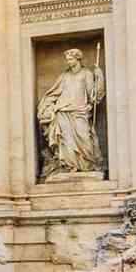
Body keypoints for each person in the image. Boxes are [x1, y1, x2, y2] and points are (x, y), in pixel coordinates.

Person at [38, 48, 106, 177]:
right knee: (66, 141)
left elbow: (93, 95)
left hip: (80, 111)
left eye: (70, 59)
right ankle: (70, 166)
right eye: (67, 60)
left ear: (77, 59)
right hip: (63, 111)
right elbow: (54, 93)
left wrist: (99, 77)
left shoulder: (86, 74)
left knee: (84, 137)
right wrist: (47, 106)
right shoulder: (64, 76)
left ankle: (87, 165)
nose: (68, 62)